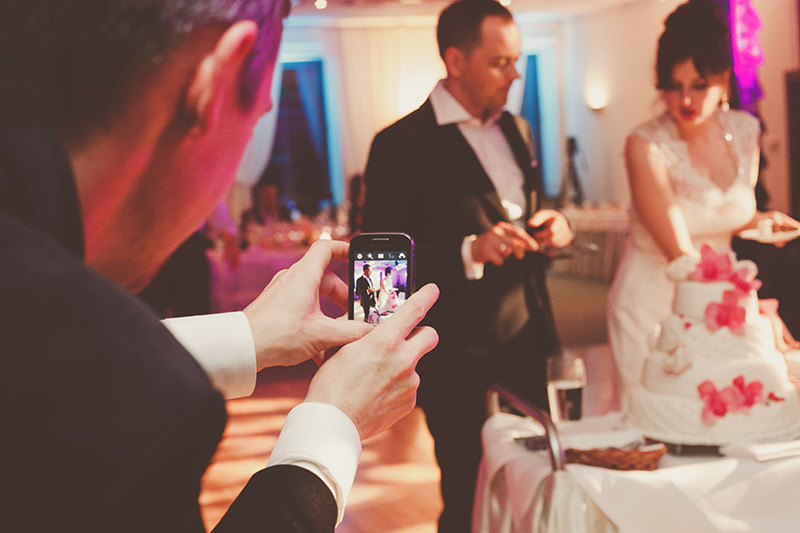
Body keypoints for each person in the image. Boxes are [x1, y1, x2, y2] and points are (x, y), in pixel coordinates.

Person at [0, 1, 439, 531]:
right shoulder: (122, 398)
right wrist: (331, 426)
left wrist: (250, 336)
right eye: (255, 123)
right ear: (217, 81)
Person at [361, 1, 573, 529]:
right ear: (455, 61)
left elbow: (520, 210)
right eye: (500, 62)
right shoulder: (398, 144)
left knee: (541, 489)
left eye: (516, 60)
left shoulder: (518, 130)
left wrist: (554, 226)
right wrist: (469, 251)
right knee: (470, 498)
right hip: (458, 359)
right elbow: (379, 275)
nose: (515, 74)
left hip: (530, 339)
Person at [607, 0, 800, 409]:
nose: (685, 99)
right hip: (655, 303)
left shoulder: (745, 132)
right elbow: (680, 254)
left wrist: (760, 222)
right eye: (673, 86)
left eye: (698, 85)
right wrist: (754, 312)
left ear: (723, 80)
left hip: (720, 302)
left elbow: (726, 215)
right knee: (661, 416)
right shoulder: (646, 145)